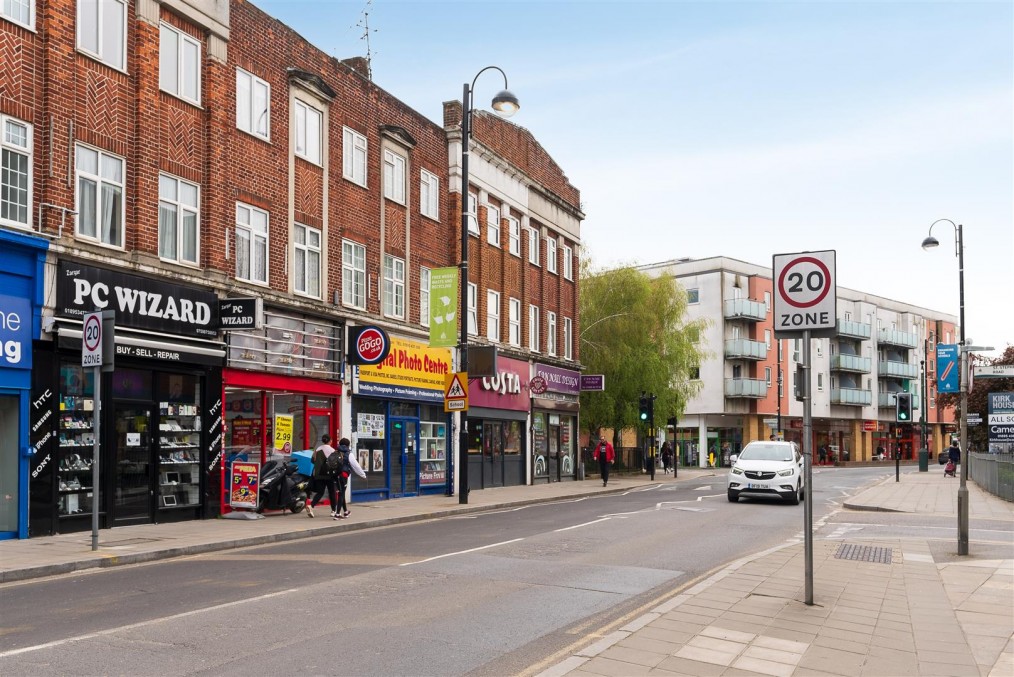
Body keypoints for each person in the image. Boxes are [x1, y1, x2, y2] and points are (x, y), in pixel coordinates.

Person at [333, 437, 367, 519]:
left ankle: (345, 511)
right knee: (341, 493)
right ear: (348, 445)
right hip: (343, 475)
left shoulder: (335, 452)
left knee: (341, 492)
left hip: (335, 475)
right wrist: (363, 475)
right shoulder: (349, 454)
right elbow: (356, 466)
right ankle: (337, 514)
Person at [306, 434, 336, 518]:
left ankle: (311, 506)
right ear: (330, 441)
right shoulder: (333, 450)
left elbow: (312, 461)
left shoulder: (317, 449)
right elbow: (334, 464)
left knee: (320, 492)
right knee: (332, 492)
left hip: (319, 474)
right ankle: (333, 511)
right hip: (329, 475)